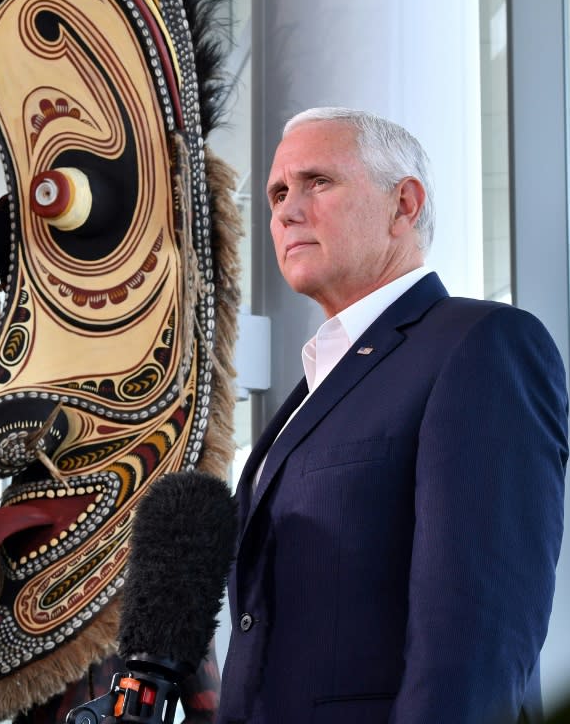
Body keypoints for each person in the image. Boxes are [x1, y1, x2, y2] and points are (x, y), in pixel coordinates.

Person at [216, 107, 568, 724]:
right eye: (277, 192)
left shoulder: (480, 345)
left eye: (317, 182)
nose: (285, 210)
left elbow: (476, 641)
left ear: (404, 205)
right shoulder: (313, 388)